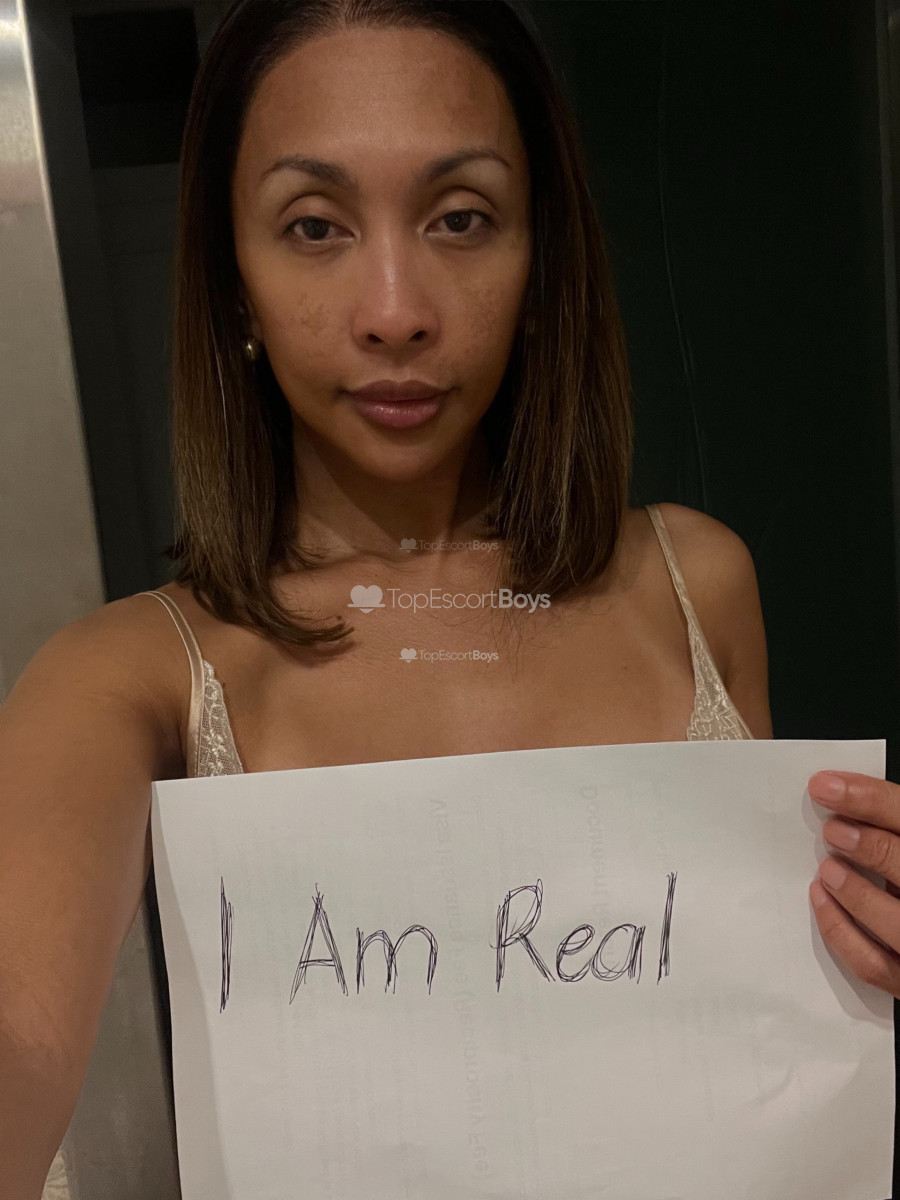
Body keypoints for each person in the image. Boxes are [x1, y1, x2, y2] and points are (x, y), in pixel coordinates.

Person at [0, 1, 891, 1196]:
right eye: (314, 226)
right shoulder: (134, 675)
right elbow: (19, 1028)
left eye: (461, 218)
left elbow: (754, 1047)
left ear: (539, 257)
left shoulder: (696, 584)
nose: (395, 311)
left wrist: (863, 947)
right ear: (233, 280)